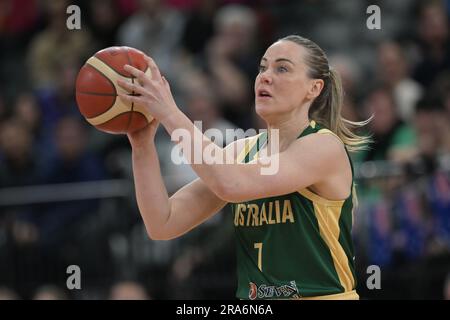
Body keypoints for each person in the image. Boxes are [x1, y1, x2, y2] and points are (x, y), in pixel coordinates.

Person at [117, 35, 370, 300]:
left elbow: (232, 184)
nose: (265, 76)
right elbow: (162, 223)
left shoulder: (323, 146)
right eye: (262, 68)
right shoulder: (242, 151)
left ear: (314, 88)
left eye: (281, 68)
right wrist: (142, 147)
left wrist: (169, 113)